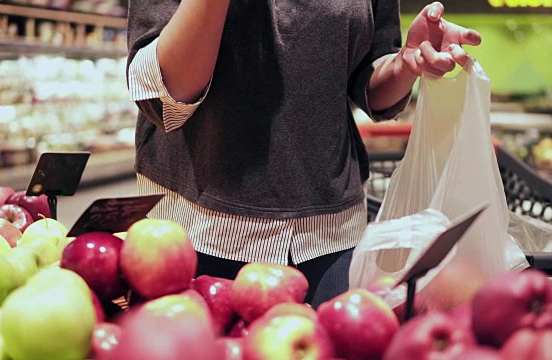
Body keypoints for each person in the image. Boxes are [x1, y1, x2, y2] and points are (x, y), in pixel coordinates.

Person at [126, 0, 481, 308]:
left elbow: (365, 78)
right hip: (199, 228)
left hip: (330, 230)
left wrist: (405, 64)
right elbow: (166, 97)